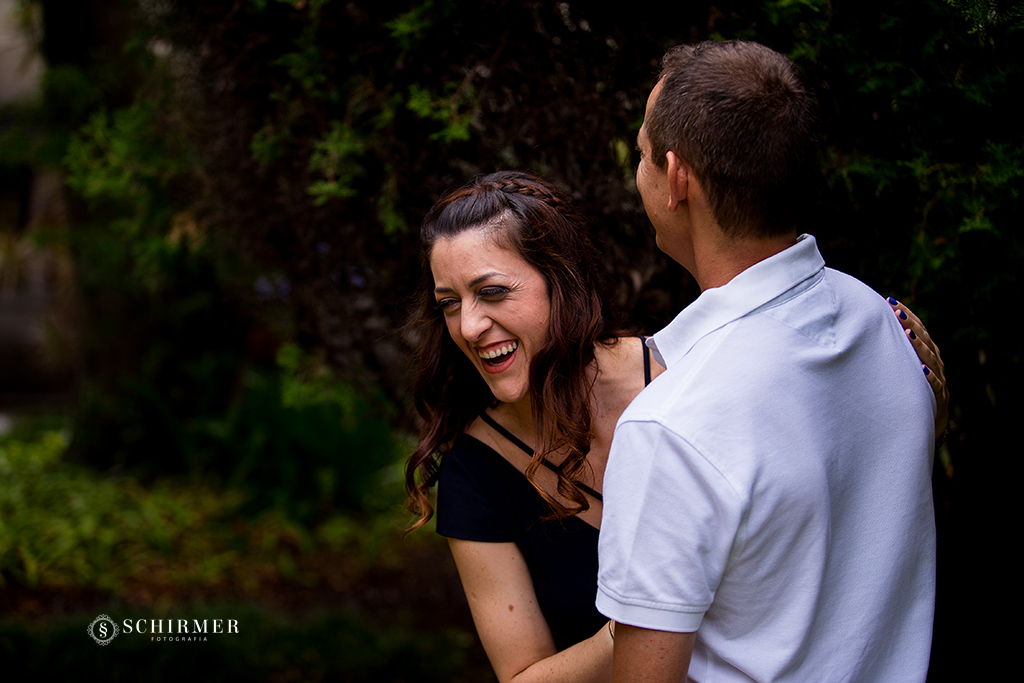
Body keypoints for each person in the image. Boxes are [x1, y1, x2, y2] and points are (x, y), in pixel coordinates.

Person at [405, 170, 946, 682]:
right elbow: (524, 675)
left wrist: (917, 412)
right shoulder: (474, 474)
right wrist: (648, 609)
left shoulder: (686, 376)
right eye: (449, 304)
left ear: (560, 282)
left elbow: (830, 497)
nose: (470, 326)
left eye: (493, 292)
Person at [596, 41, 938, 682]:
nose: (636, 169)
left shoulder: (671, 428)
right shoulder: (883, 322)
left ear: (676, 180)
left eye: (641, 153)